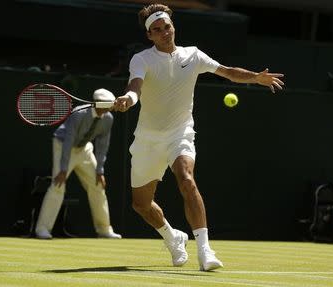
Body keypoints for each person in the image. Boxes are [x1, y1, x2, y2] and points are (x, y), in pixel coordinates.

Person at [113, 4, 284, 271]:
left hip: (180, 134)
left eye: (166, 27)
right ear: (150, 36)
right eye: (157, 30)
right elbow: (136, 86)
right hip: (147, 140)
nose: (164, 32)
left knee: (187, 179)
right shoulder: (142, 59)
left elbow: (227, 71)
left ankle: (205, 251)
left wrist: (255, 78)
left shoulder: (193, 55)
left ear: (173, 27)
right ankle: (173, 237)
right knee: (141, 205)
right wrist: (129, 98)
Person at [35, 89, 121, 239]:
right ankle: (42, 229)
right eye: (107, 105)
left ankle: (104, 230)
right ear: (97, 103)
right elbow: (68, 140)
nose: (109, 108)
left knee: (98, 185)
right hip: (63, 145)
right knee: (58, 185)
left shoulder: (108, 118)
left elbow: (103, 144)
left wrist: (100, 170)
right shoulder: (78, 113)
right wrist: (63, 169)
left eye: (110, 105)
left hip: (84, 148)